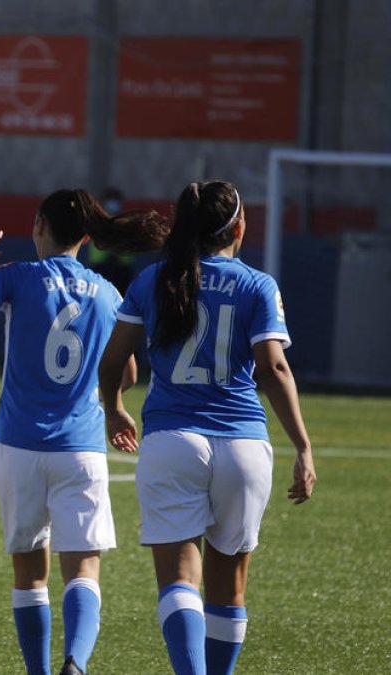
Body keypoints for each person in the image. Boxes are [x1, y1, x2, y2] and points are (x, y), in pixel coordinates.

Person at [0, 189, 167, 675]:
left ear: (38, 226)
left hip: (18, 445)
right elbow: (129, 373)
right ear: (85, 236)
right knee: (83, 571)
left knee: (29, 576)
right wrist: (112, 405)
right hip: (81, 447)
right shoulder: (107, 292)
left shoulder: (17, 278)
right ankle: (74, 663)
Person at [97, 180, 316, 675]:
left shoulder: (152, 279)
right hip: (243, 446)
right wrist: (302, 446)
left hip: (172, 441)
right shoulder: (257, 284)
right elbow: (274, 368)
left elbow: (112, 362)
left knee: (179, 581)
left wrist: (114, 409)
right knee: (228, 587)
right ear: (239, 227)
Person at [84, 187, 135, 294]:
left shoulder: (126, 222)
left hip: (122, 268)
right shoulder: (97, 222)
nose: (112, 205)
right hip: (100, 267)